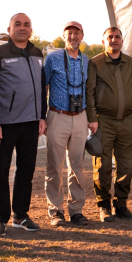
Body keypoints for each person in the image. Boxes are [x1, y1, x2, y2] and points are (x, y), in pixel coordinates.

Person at [0, 13, 47, 236]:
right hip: (5, 124)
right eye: (18, 24)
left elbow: (42, 87)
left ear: (31, 29)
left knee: (26, 171)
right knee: (1, 171)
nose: (22, 28)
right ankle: (0, 218)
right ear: (9, 29)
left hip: (31, 123)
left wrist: (42, 116)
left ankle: (20, 215)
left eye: (26, 25)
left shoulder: (37, 53)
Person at [86, 27, 132, 222]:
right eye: (109, 37)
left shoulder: (131, 63)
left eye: (117, 37)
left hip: (127, 122)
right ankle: (103, 205)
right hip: (103, 121)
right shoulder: (95, 63)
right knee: (102, 166)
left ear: (122, 40)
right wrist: (92, 118)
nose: (113, 40)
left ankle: (121, 204)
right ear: (104, 41)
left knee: (126, 166)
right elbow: (90, 92)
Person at [42, 21, 90, 227]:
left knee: (77, 166)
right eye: (69, 33)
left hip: (80, 117)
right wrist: (41, 117)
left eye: (76, 33)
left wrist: (91, 119)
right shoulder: (52, 58)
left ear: (82, 36)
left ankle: (76, 210)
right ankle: (55, 210)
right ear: (64, 36)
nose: (73, 36)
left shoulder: (86, 60)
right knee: (54, 165)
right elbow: (43, 87)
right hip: (58, 115)